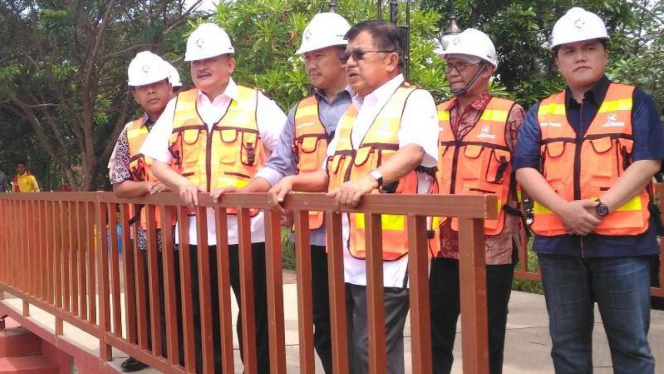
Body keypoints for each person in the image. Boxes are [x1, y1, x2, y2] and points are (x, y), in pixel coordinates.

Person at [269, 20, 439, 374]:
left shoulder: (414, 99)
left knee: (372, 348)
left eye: (359, 54)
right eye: (347, 55)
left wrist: (372, 179)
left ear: (391, 61)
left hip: (393, 254)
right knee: (347, 346)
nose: (349, 62)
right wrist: (293, 181)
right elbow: (331, 171)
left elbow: (413, 151)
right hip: (348, 252)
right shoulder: (354, 111)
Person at [514, 7, 663, 374]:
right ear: (557, 60)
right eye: (569, 50)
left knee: (631, 349)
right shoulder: (541, 111)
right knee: (567, 349)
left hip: (622, 248)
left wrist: (600, 208)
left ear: (604, 53)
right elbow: (525, 166)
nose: (580, 56)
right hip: (559, 248)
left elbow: (648, 162)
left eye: (589, 47)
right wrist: (565, 211)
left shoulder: (634, 101)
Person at [140, 23, 286, 374]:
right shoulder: (179, 106)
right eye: (195, 62)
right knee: (202, 317)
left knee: (256, 317)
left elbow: (285, 156)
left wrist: (255, 188)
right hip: (195, 234)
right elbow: (155, 159)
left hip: (250, 233)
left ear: (230, 64)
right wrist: (179, 183)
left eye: (210, 59)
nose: (201, 67)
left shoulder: (256, 103)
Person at [243, 12, 352, 374]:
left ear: (344, 53)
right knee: (323, 323)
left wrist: (292, 183)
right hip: (315, 234)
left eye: (318, 55)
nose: (310, 64)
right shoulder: (300, 110)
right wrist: (249, 190)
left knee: (363, 326)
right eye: (307, 57)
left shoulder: (368, 104)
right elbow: (280, 163)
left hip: (361, 233)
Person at [430, 29, 525, 374]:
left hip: (492, 244)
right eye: (449, 65)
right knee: (433, 332)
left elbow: (528, 174)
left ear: (486, 70)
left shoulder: (510, 114)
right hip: (440, 243)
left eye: (461, 65)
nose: (452, 71)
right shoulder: (435, 114)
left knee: (486, 333)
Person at [108, 51, 179, 373]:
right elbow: (119, 184)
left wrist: (173, 186)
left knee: (187, 296)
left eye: (155, 84)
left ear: (170, 85)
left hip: (187, 232)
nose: (150, 91)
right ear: (135, 95)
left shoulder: (189, 122)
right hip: (145, 232)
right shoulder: (130, 132)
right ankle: (144, 350)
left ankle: (184, 354)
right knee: (145, 296)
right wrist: (151, 188)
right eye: (142, 87)